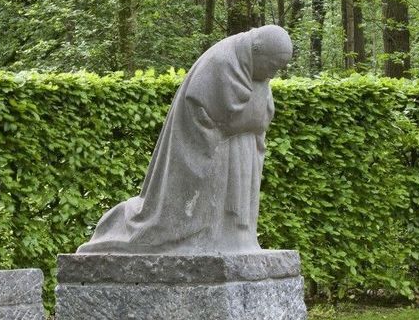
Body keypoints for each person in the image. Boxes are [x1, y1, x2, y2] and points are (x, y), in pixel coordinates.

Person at [78, 24, 293, 255]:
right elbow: (206, 116)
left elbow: (260, 114)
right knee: (172, 215)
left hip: (239, 148)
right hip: (208, 148)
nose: (272, 74)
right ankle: (199, 239)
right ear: (257, 52)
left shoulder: (252, 68)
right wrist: (244, 121)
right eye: (272, 66)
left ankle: (234, 240)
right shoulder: (221, 63)